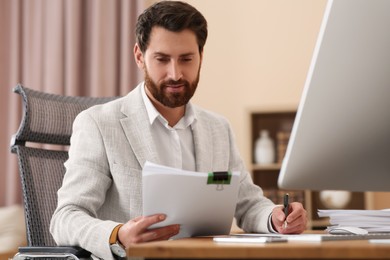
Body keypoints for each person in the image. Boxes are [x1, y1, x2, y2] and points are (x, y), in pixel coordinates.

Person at [50, 1, 307, 259]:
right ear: (139, 56)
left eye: (186, 59)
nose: (175, 74)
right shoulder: (99, 124)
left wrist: (275, 218)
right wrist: (118, 235)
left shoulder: (218, 129)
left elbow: (248, 204)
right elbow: (65, 218)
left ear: (201, 57)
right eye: (162, 59)